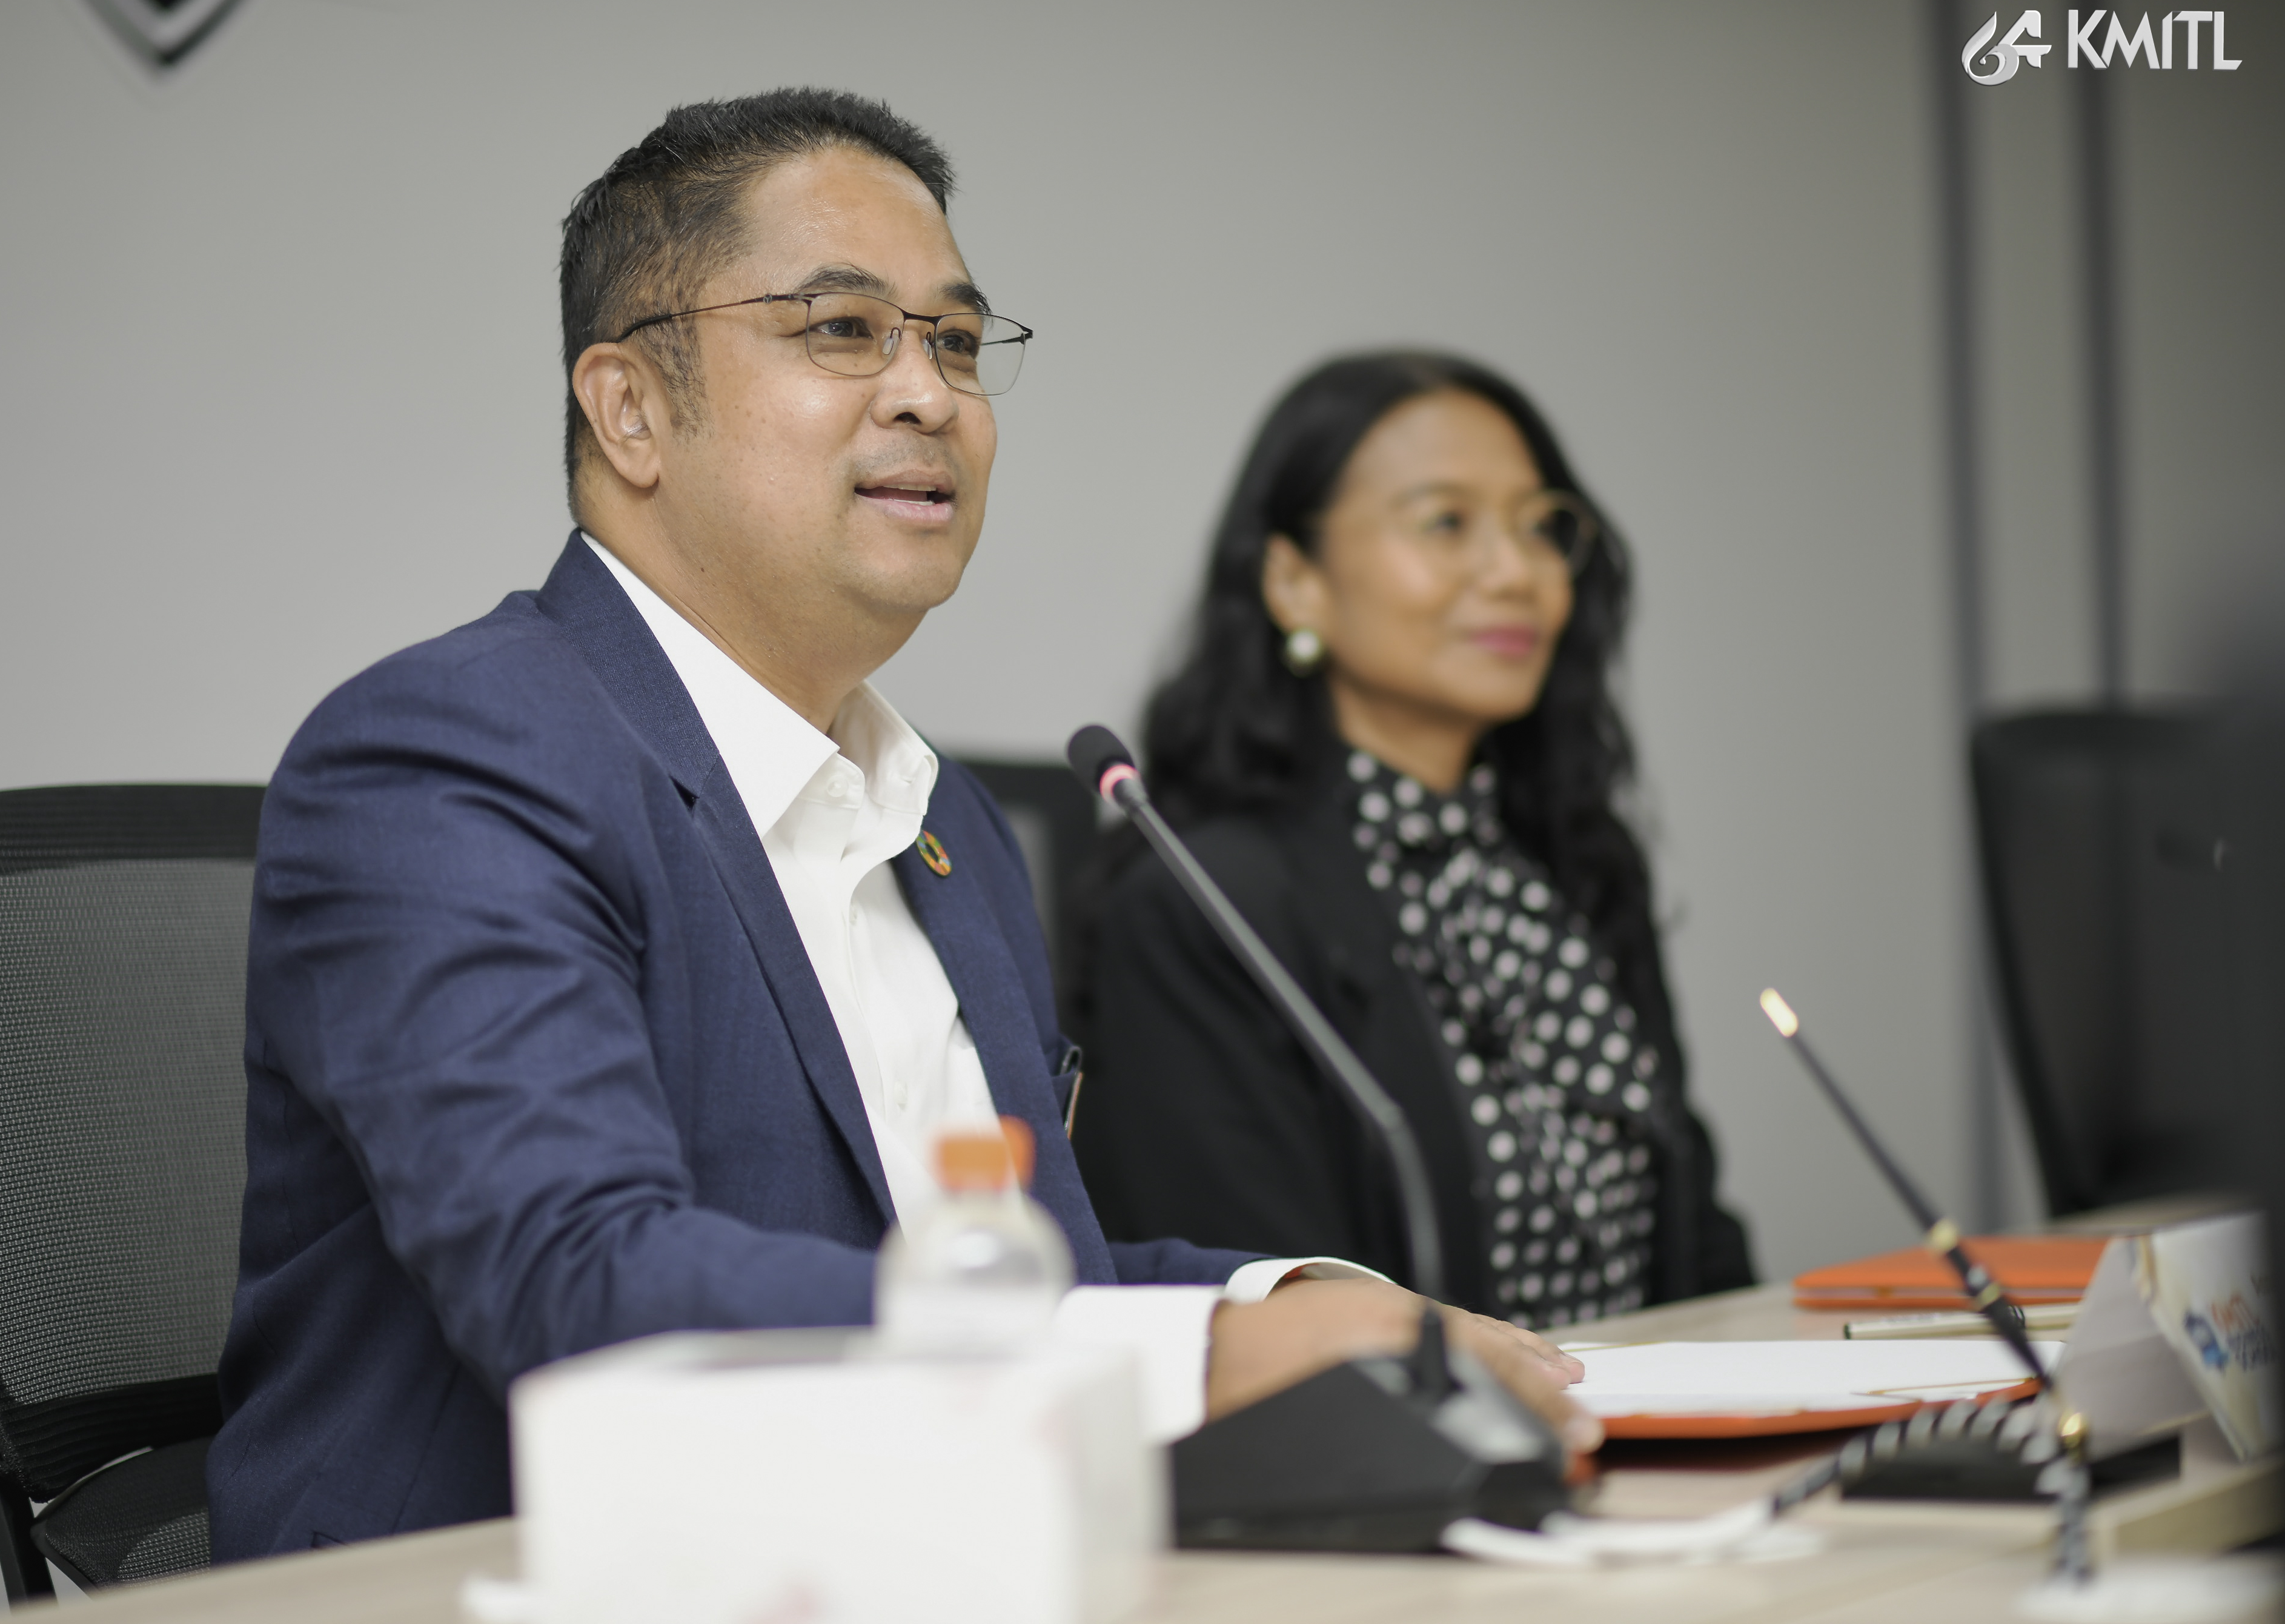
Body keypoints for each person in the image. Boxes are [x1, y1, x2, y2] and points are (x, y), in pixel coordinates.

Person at [208, 96, 1595, 1562]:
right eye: (843, 330)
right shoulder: (452, 755)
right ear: (630, 410)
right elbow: (585, 1285)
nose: (929, 393)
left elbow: (1016, 1292)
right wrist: (1188, 1358)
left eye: (958, 341)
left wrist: (1290, 1304)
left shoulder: (949, 824)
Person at [1068, 352, 1754, 1330]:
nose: (1516, 573)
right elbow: (1268, 1307)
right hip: (1405, 1428)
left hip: (1665, 1417)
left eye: (1541, 527)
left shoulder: (1565, 863)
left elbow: (1693, 1238)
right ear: (1295, 581)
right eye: (1447, 523)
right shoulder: (1207, 904)